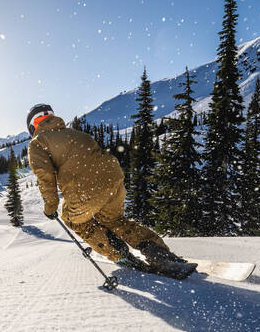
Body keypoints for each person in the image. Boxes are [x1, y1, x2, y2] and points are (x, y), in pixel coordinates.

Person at [25, 103, 197, 277]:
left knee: (72, 219)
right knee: (115, 221)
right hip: (113, 180)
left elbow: (45, 177)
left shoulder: (37, 142)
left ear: (32, 126)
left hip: (85, 189)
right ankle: (161, 255)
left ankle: (119, 253)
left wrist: (50, 207)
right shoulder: (77, 134)